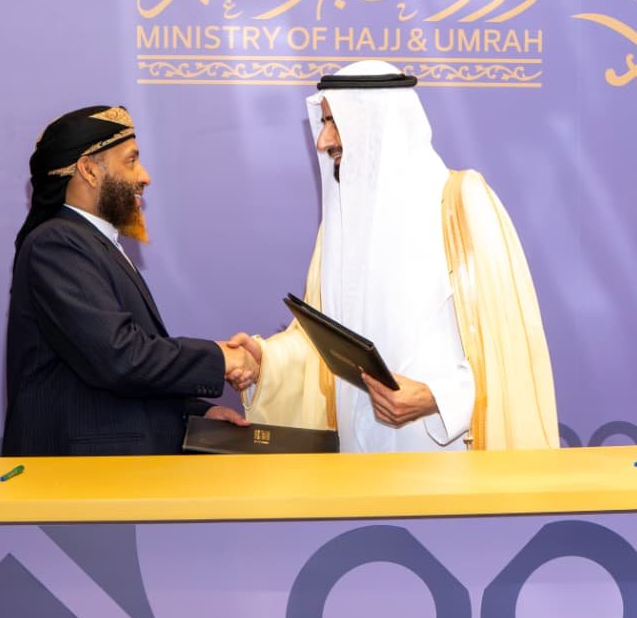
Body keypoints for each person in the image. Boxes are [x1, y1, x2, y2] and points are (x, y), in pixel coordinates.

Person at [233, 60, 558, 452]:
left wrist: (436, 398)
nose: (323, 141)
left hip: (442, 456)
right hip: (356, 461)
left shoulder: (459, 203)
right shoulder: (338, 226)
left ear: (375, 123)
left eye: (335, 122)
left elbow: (508, 348)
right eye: (324, 123)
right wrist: (266, 361)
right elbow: (328, 348)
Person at [4, 105, 255, 457]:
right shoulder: (57, 244)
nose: (145, 176)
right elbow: (118, 357)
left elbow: (116, 374)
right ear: (89, 170)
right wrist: (219, 358)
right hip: (81, 478)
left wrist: (195, 413)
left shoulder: (94, 244)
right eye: (131, 160)